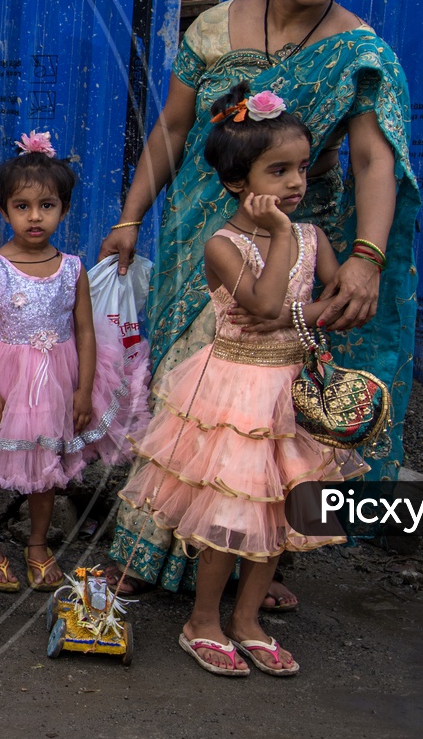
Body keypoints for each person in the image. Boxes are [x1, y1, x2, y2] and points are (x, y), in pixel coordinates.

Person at [101, 0, 418, 604]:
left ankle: (252, 559)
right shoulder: (216, 28)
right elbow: (174, 130)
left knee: (271, 413)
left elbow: (374, 160)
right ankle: (146, 548)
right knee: (187, 399)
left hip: (297, 243)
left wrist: (365, 258)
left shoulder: (358, 52)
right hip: (201, 238)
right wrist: (129, 217)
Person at [120, 84, 364, 677]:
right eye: (277, 171)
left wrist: (325, 301)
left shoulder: (315, 237)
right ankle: (202, 619)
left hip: (291, 392)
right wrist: (282, 242)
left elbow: (334, 299)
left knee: (280, 511)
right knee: (230, 513)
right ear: (237, 184)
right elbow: (263, 305)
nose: (295, 183)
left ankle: (247, 620)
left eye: (301, 168)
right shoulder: (223, 245)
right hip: (235, 393)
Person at [0, 134, 140, 592]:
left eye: (47, 206)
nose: (35, 217)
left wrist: (82, 387)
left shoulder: (72, 267)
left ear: (63, 209)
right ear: (4, 210)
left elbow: (85, 331)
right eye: (22, 206)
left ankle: (37, 543)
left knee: (45, 461)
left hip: (55, 380)